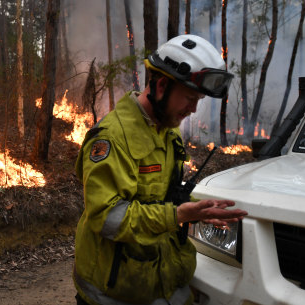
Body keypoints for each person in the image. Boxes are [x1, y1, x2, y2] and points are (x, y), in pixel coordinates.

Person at [73, 34, 248, 305]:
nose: (193, 109)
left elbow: (162, 198)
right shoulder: (111, 137)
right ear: (162, 85)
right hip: (114, 293)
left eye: (198, 100)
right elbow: (106, 218)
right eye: (190, 98)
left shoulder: (169, 134)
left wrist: (195, 209)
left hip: (161, 283)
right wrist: (176, 215)